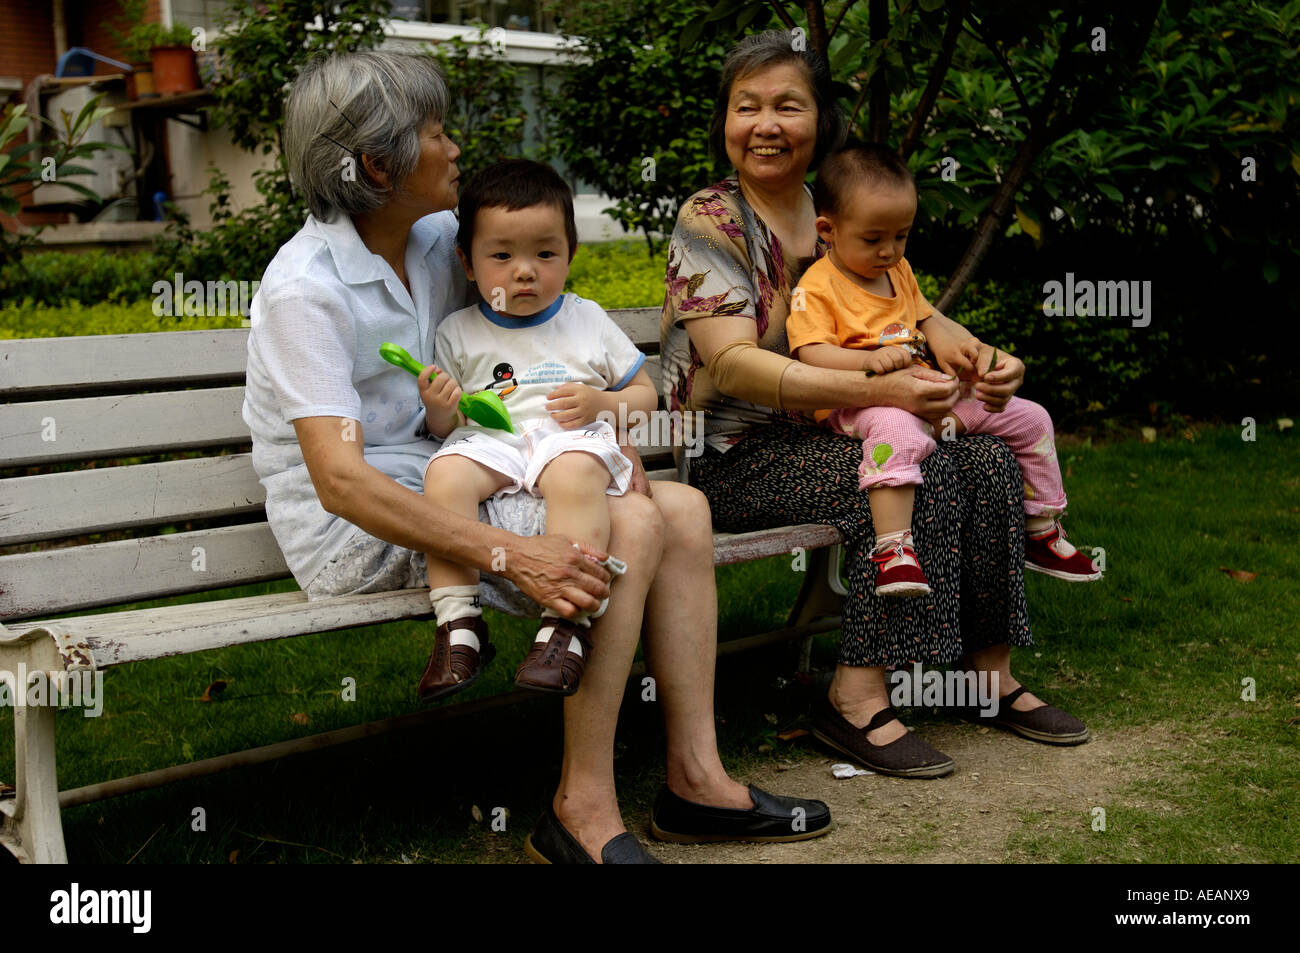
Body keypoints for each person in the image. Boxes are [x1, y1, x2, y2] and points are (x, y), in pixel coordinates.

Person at [240, 49, 831, 864]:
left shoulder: (435, 239)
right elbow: (341, 484)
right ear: (379, 164)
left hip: (464, 466)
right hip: (363, 525)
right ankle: (580, 810)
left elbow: (531, 313)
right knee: (630, 521)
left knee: (685, 509)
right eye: (436, 133)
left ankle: (697, 779)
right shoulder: (304, 291)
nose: (455, 149)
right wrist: (515, 553)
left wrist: (604, 408)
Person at [661, 32, 1091, 779]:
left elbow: (919, 315)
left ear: (818, 120)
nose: (765, 124)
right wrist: (878, 388)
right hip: (736, 456)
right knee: (914, 471)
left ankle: (985, 673)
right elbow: (732, 365)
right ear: (725, 121)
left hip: (838, 429)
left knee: (988, 456)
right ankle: (855, 697)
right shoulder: (713, 220)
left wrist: (988, 361)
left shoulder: (840, 202)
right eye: (746, 106)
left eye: (787, 105)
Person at [788, 143, 1103, 598]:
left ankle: (1040, 529)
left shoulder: (899, 272)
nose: (889, 251)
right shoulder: (817, 287)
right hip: (860, 403)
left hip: (931, 397)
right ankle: (893, 550)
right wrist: (867, 362)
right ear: (828, 229)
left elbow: (927, 322)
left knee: (1032, 417)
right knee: (896, 431)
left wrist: (972, 360)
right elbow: (810, 353)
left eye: (901, 236)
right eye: (873, 239)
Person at [421, 158, 658, 697]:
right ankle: (459, 623)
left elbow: (647, 395)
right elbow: (447, 427)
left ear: (570, 255)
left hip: (569, 440)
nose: (524, 271)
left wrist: (602, 403)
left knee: (574, 474)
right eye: (502, 255)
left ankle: (566, 621)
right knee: (446, 477)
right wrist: (440, 407)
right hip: (495, 441)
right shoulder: (458, 330)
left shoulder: (587, 319)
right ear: (469, 262)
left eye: (545, 254)